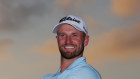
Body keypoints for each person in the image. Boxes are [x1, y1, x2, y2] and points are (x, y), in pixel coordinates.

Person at [41, 15, 101, 79]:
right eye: (63, 35)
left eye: (74, 35)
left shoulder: (85, 74)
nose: (68, 41)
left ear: (85, 40)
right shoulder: (48, 77)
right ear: (57, 40)